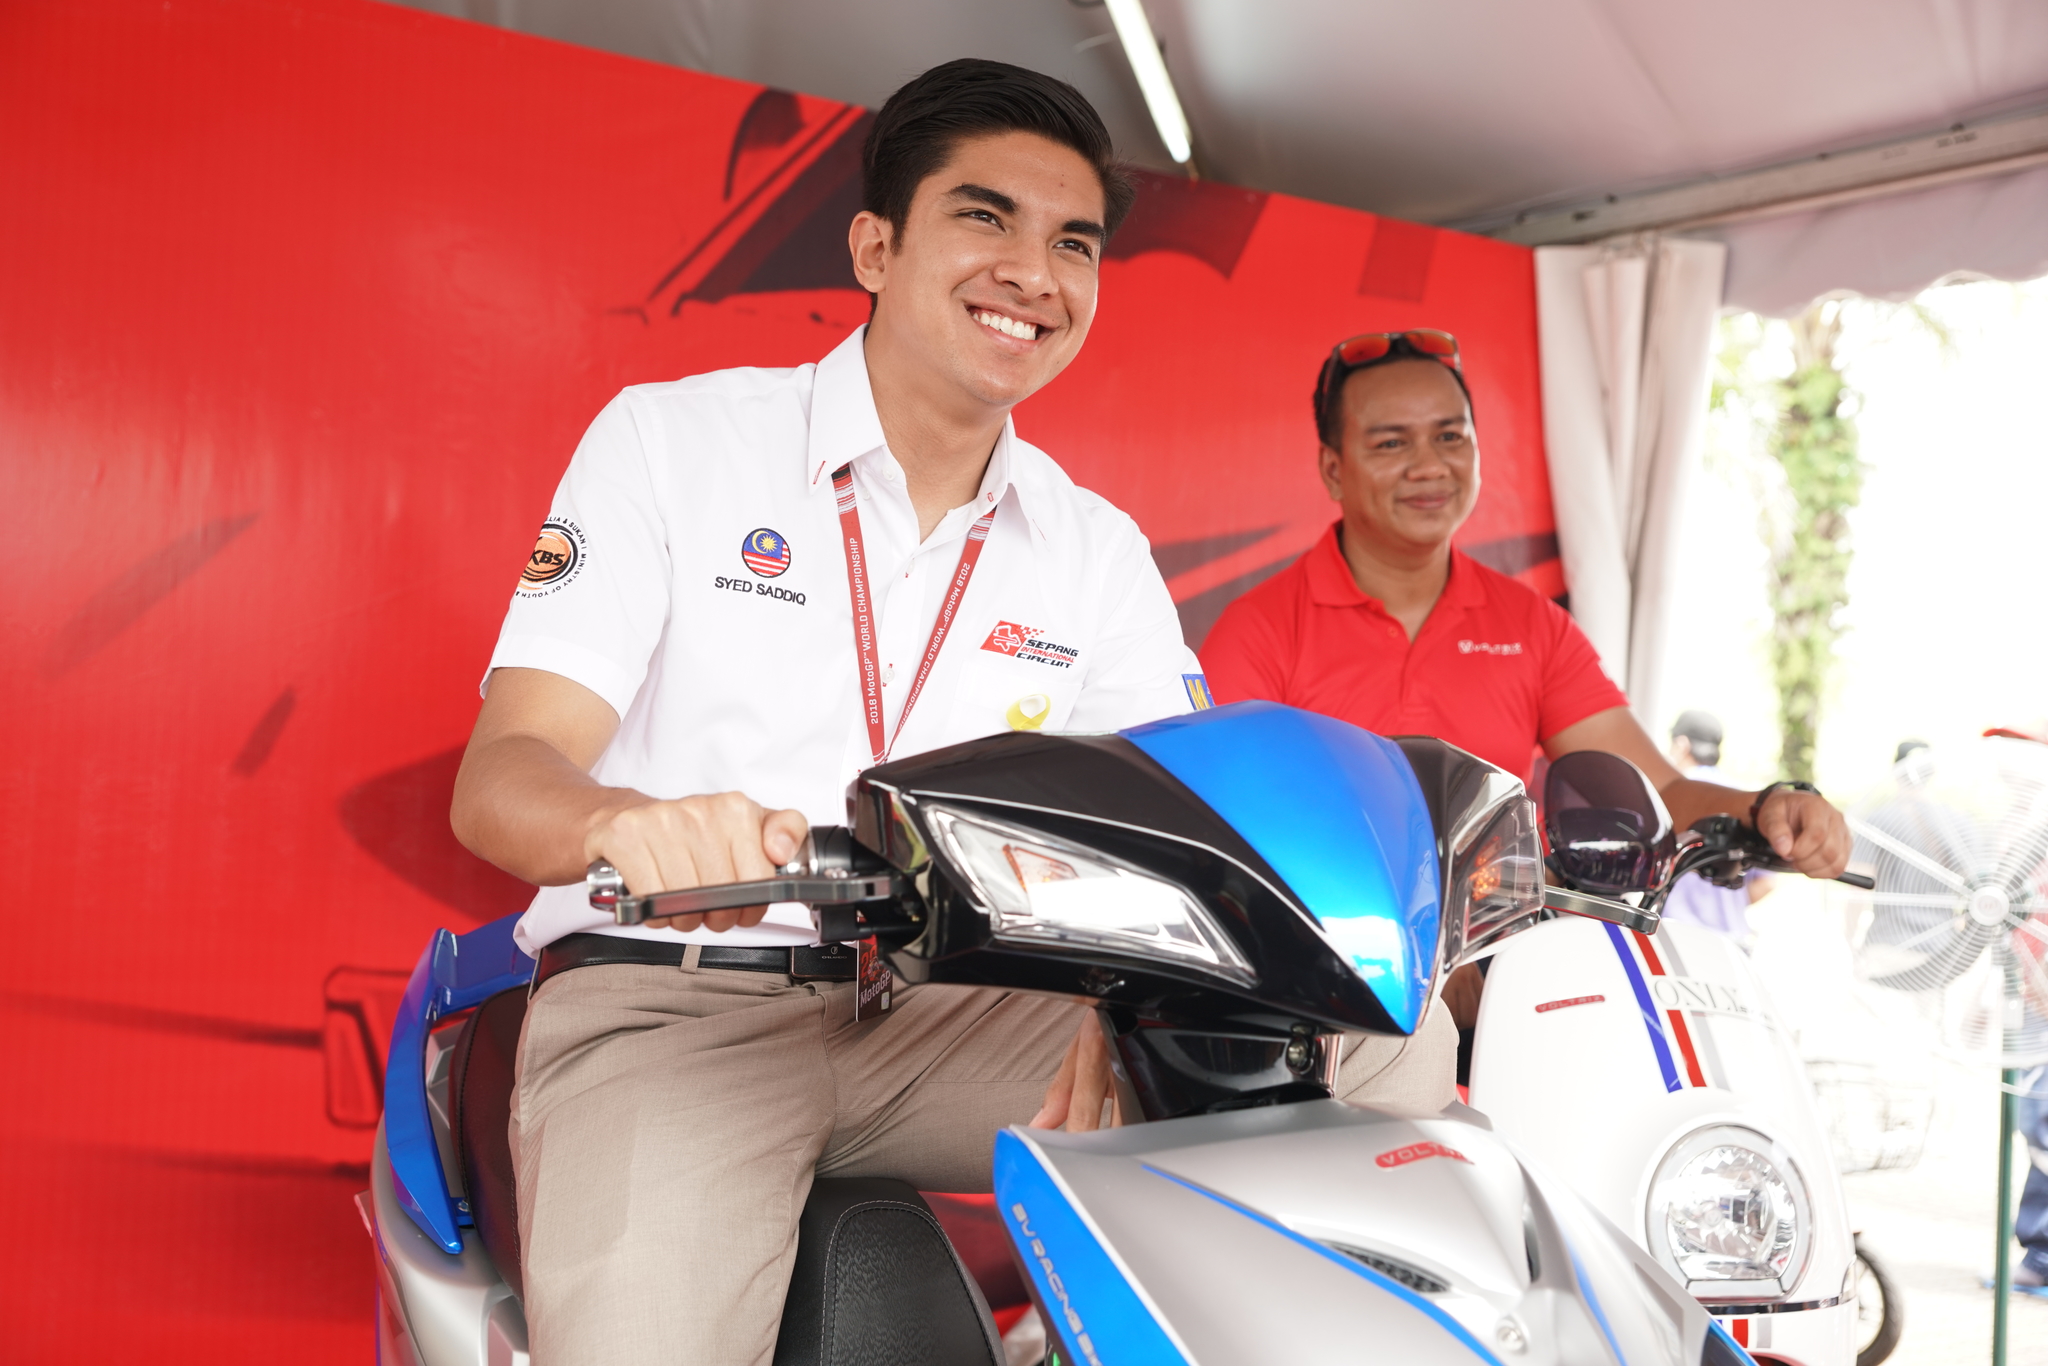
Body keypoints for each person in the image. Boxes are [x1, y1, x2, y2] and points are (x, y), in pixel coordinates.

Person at [450, 64, 1447, 1366]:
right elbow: (501, 775)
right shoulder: (673, 443)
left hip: (954, 1014)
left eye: (1073, 242)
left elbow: (1187, 824)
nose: (1033, 272)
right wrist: (624, 823)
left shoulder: (1092, 547)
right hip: (682, 1006)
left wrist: (1145, 994)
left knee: (1376, 1026)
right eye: (986, 218)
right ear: (875, 247)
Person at [1199, 330, 1853, 1028]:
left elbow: (1658, 793)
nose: (1430, 465)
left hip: (1505, 984)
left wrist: (1767, 807)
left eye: (1451, 436)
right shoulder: (1259, 630)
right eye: (1391, 443)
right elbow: (1221, 828)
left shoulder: (1531, 625)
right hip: (1320, 996)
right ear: (1333, 469)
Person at [1660, 710, 1776, 938]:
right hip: (1730, 941)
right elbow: (1766, 882)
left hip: (1675, 936)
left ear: (1682, 745)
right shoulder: (1742, 799)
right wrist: (1726, 908)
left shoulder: (1670, 800)